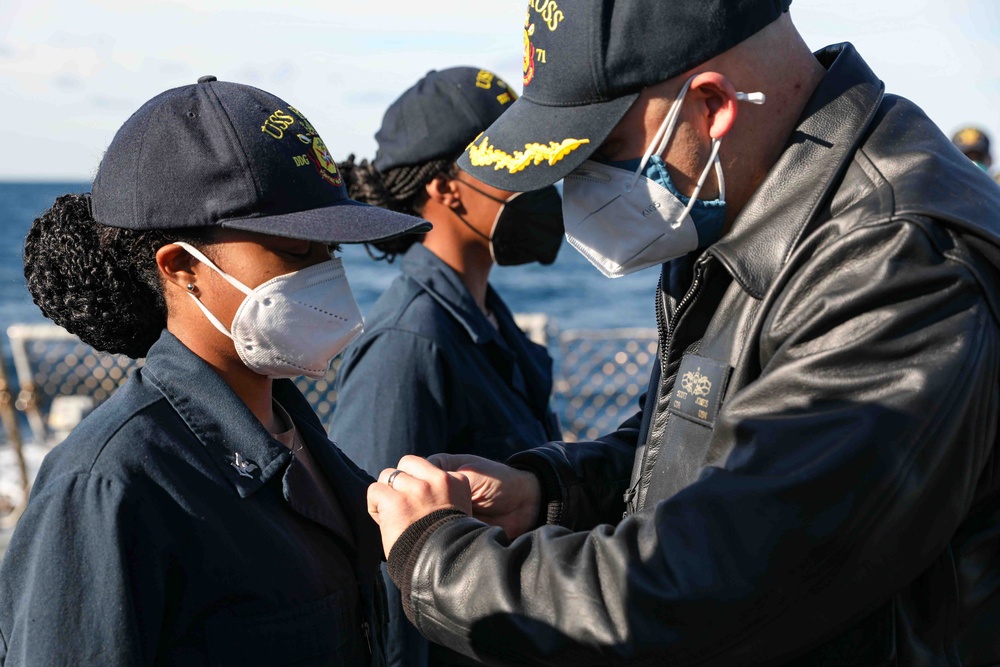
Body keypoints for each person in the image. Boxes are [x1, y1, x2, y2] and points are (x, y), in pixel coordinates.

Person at [365, 1, 1000, 664]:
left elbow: (712, 587)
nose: (574, 191)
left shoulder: (900, 263)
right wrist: (551, 494)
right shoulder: (735, 200)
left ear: (709, 106)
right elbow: (702, 440)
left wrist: (438, 557)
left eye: (600, 153)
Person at [0, 76, 428, 665]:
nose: (328, 273)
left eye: (334, 250)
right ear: (182, 269)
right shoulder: (109, 486)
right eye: (299, 248)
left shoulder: (304, 439)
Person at [329, 66, 563, 667]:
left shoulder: (487, 320)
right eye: (510, 156)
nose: (536, 169)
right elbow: (380, 570)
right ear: (445, 188)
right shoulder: (408, 343)